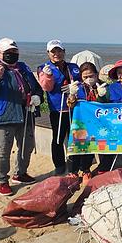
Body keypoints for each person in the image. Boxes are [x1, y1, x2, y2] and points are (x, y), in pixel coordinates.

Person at [0, 37, 42, 196]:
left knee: (27, 146)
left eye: (15, 52)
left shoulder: (23, 68)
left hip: (26, 113)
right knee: (2, 150)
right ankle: (1, 180)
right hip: (4, 115)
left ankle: (20, 173)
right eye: (8, 52)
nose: (12, 55)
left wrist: (37, 96)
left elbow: (35, 87)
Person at [37, 39, 81, 175]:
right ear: (48, 53)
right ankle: (60, 165)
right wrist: (48, 76)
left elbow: (81, 82)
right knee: (58, 138)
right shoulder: (43, 68)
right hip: (58, 109)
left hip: (75, 108)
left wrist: (74, 88)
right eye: (53, 51)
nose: (57, 54)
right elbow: (47, 87)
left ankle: (75, 164)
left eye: (59, 51)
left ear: (64, 52)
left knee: (76, 137)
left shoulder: (73, 67)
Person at [66, 62, 107, 177]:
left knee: (99, 146)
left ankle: (88, 171)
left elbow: (108, 104)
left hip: (99, 123)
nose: (89, 79)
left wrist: (102, 96)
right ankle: (75, 171)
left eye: (91, 76)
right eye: (85, 77)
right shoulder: (77, 87)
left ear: (96, 74)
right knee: (80, 146)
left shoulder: (103, 86)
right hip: (82, 123)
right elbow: (70, 105)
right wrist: (72, 95)